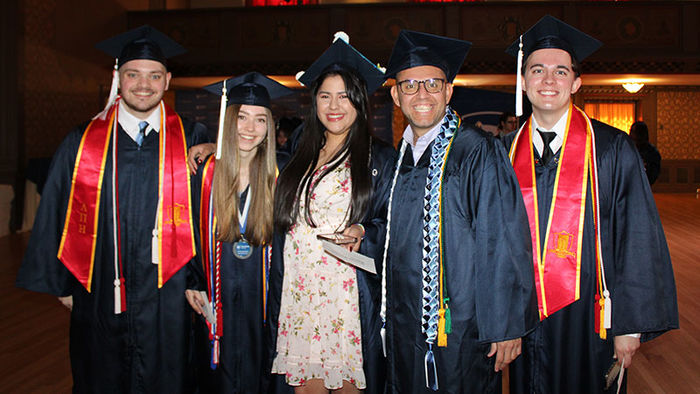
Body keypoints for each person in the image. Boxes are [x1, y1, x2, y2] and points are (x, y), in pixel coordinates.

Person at [15, 26, 210, 393]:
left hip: (168, 292)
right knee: (100, 377)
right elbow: (57, 207)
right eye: (133, 74)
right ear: (118, 78)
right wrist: (64, 281)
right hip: (100, 286)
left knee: (169, 379)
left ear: (167, 80)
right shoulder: (83, 139)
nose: (143, 84)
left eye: (154, 75)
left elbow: (207, 213)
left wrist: (198, 279)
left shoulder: (191, 137)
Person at [503, 15, 678, 394]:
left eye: (560, 71)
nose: (549, 80)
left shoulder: (612, 149)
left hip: (592, 313)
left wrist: (629, 325)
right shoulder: (503, 153)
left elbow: (637, 237)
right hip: (523, 315)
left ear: (576, 82)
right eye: (537, 70)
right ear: (523, 80)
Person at [380, 30, 537, 393]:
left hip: (462, 326)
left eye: (432, 83)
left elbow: (504, 239)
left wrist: (507, 325)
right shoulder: (398, 158)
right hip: (405, 322)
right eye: (410, 85)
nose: (421, 94)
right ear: (395, 95)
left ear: (449, 91)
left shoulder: (477, 150)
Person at [267, 33, 396, 394]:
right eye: (325, 95)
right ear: (314, 101)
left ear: (360, 101)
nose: (334, 105)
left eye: (344, 95)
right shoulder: (298, 154)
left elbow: (394, 223)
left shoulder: (380, 158)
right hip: (300, 295)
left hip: (345, 301)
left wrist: (363, 230)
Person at [185, 72, 293, 393]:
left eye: (260, 119)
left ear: (270, 128)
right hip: (218, 296)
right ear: (227, 119)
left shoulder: (283, 172)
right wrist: (192, 281)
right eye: (242, 117)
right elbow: (187, 229)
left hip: (266, 299)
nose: (249, 128)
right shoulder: (204, 174)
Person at [629, 121, 661, 185]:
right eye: (631, 132)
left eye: (634, 132)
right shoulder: (627, 148)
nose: (632, 134)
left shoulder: (652, 152)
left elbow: (653, 175)